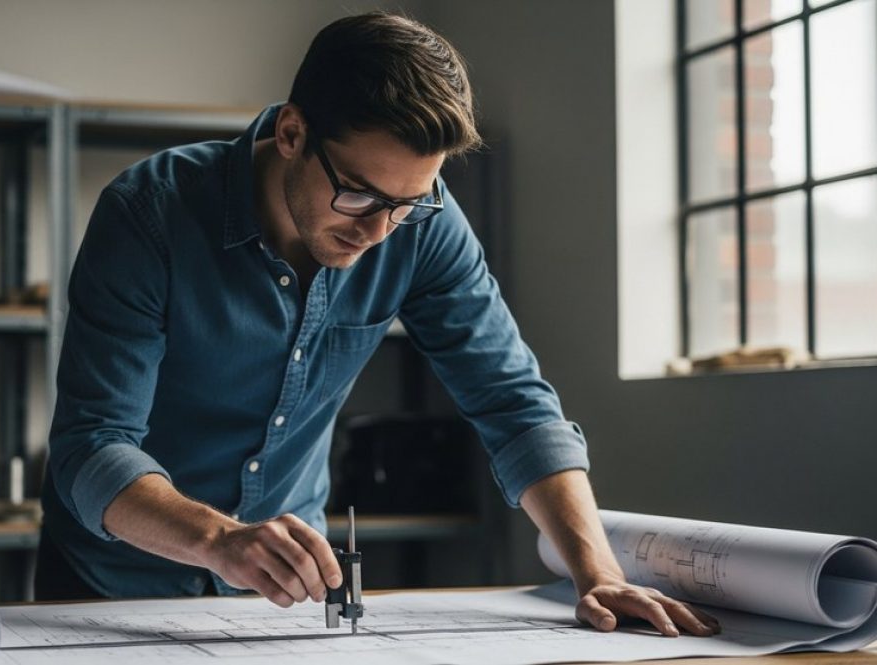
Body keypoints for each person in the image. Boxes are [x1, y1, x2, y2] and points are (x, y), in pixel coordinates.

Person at [38, 11, 719, 638]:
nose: (378, 230)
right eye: (358, 193)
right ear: (293, 132)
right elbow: (92, 444)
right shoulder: (149, 213)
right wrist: (221, 539)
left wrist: (596, 571)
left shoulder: (420, 226)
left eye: (408, 203)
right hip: (109, 585)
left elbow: (514, 405)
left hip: (279, 598)